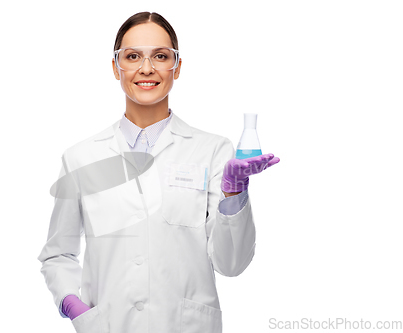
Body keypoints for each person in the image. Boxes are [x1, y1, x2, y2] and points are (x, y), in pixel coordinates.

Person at [37, 11, 280, 333]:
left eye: (161, 56)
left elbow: (231, 265)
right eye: (133, 56)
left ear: (177, 67)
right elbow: (58, 253)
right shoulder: (82, 157)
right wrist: (72, 303)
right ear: (115, 67)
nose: (147, 68)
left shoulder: (212, 150)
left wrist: (234, 195)